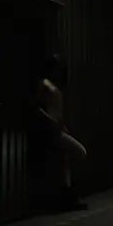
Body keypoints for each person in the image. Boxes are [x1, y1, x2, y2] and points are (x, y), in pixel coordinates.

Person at [29, 54, 87, 211]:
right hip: (50, 130)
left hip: (57, 129)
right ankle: (66, 195)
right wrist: (51, 121)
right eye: (56, 67)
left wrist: (61, 125)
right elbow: (36, 108)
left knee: (64, 162)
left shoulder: (56, 85)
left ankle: (67, 196)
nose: (58, 70)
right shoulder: (45, 84)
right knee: (79, 153)